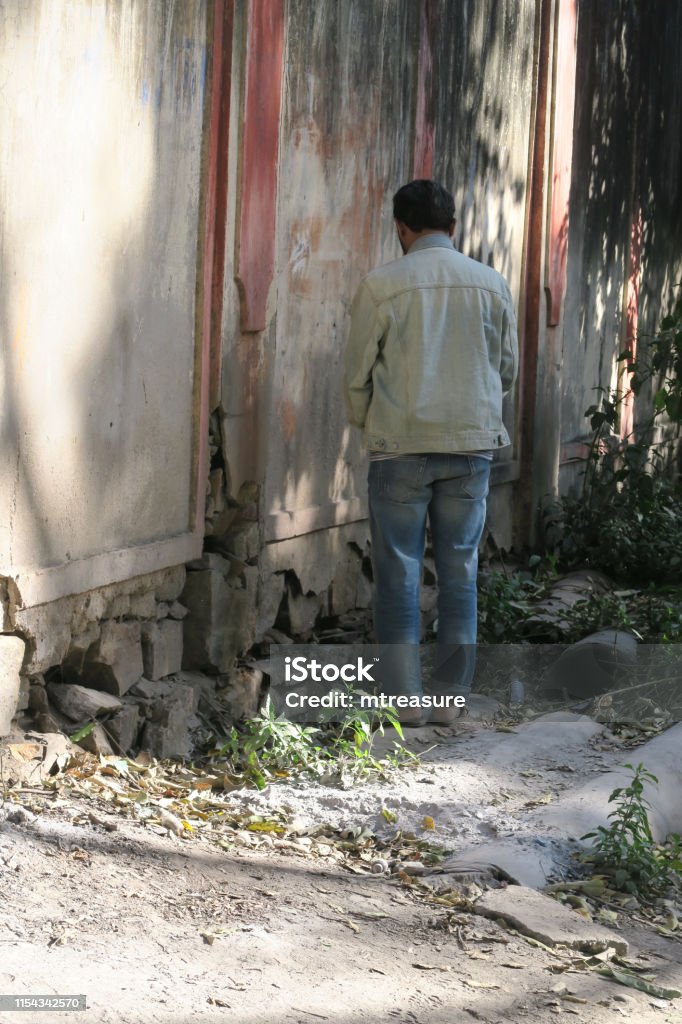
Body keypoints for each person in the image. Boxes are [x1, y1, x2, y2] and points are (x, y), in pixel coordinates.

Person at [343, 179, 518, 724]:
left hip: (400, 449)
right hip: (471, 448)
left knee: (398, 573)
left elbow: (356, 377)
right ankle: (450, 700)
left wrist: (369, 426)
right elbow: (505, 368)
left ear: (401, 227)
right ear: (454, 227)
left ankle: (405, 703)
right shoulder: (491, 284)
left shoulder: (380, 286)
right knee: (459, 572)